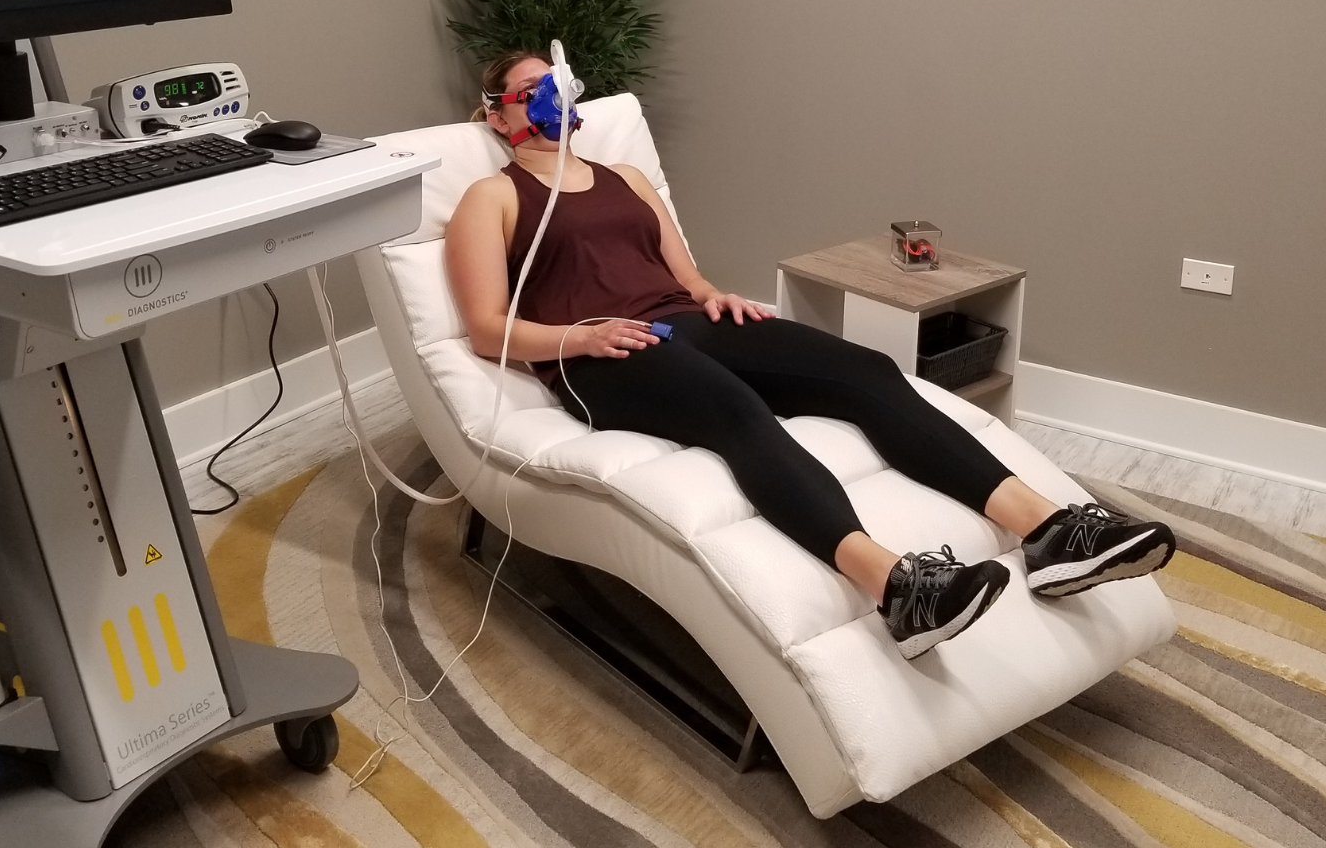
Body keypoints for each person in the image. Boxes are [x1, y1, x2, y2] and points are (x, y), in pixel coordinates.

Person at [445, 50, 1175, 659]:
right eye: (529, 90)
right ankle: (897, 589)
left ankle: (1051, 533)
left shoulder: (626, 179)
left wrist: (713, 296)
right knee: (737, 410)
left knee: (865, 371)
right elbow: (486, 327)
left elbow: (683, 273)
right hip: (599, 354)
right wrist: (581, 337)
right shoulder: (493, 196)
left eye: (556, 83)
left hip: (684, 322)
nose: (549, 97)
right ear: (498, 113)